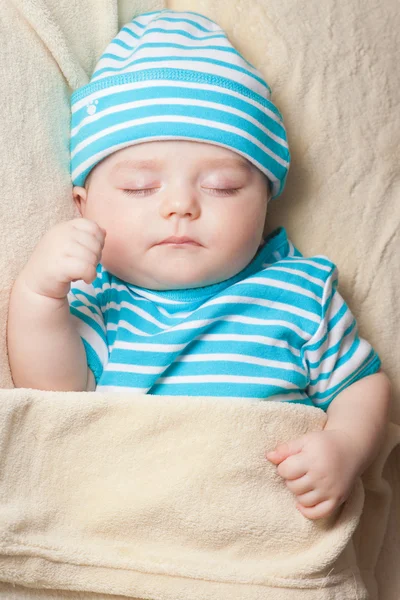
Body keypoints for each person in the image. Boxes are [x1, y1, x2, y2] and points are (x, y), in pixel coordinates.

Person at [7, 10, 391, 520]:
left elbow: (362, 384)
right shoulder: (100, 296)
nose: (180, 206)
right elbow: (55, 396)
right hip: (131, 520)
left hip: (261, 528)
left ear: (266, 204)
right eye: (141, 187)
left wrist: (345, 445)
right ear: (83, 206)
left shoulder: (298, 291)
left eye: (222, 187)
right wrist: (38, 294)